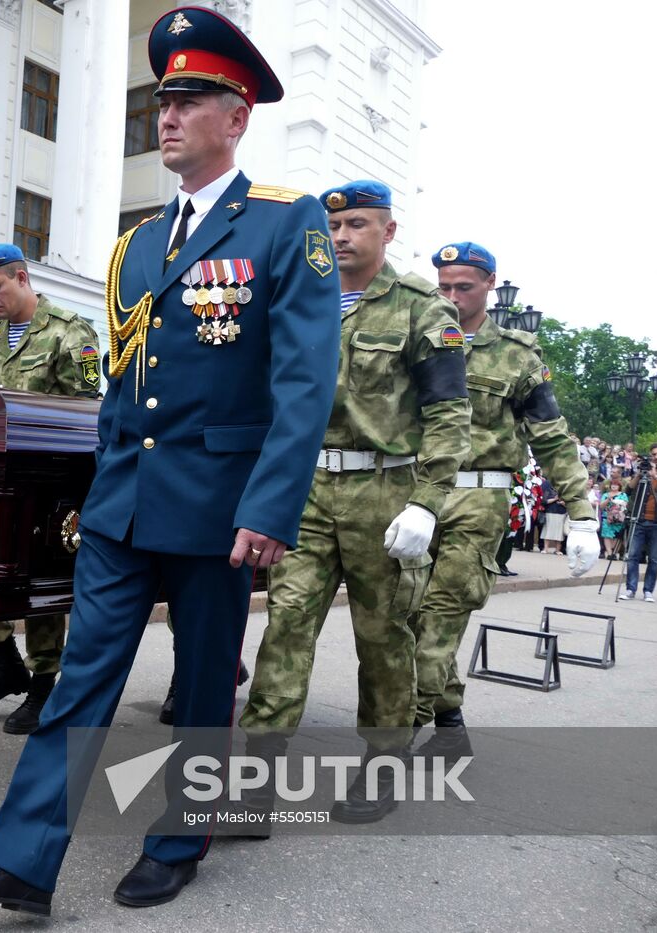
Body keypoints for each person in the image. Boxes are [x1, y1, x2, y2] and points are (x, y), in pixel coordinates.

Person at [0, 8, 340, 911]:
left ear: (236, 118)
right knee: (83, 677)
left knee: (199, 682)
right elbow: (124, 385)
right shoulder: (138, 244)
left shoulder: (284, 224)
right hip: (122, 501)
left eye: (190, 99)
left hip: (220, 503)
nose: (167, 114)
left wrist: (271, 507)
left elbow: (307, 381)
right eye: (163, 99)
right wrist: (95, 488)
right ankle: (22, 861)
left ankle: (178, 836)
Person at [238, 179, 472, 828]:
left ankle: (384, 761)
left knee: (384, 637)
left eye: (358, 225)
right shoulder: (301, 298)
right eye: (334, 227)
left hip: (385, 493)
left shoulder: (424, 309)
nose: (342, 237)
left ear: (389, 232)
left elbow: (451, 415)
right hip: (306, 491)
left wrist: (426, 503)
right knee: (286, 624)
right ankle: (256, 778)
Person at [410, 242, 598, 764]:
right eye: (442, 286)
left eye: (463, 287)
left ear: (490, 284)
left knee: (437, 622)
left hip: (479, 500)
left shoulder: (517, 354)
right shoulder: (418, 338)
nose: (450, 297)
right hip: (415, 497)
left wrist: (581, 514)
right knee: (406, 620)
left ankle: (389, 747)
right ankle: (450, 728)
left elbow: (553, 438)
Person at [0, 244, 102, 734]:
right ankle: (6, 664)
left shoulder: (70, 331)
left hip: (51, 485)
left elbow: (88, 409)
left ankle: (42, 685)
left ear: (21, 277)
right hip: (0, 479)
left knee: (41, 588)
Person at [622, 442, 657, 601]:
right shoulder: (642, 471)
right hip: (638, 519)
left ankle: (648, 590)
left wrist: (655, 476)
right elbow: (628, 490)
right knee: (632, 556)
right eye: (654, 454)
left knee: (654, 559)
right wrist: (640, 474)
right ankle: (630, 589)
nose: (656, 457)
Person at [600, 479, 628, 558]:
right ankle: (609, 553)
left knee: (617, 536)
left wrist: (616, 503)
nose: (614, 486)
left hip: (618, 518)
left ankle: (615, 552)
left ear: (619, 486)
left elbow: (625, 505)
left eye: (616, 484)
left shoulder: (623, 494)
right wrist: (608, 499)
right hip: (607, 517)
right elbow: (601, 507)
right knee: (607, 535)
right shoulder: (606, 494)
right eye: (612, 484)